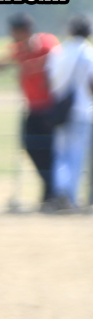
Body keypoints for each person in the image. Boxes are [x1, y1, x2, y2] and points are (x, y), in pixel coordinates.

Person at [0, 14, 59, 208]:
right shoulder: (19, 49)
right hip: (32, 108)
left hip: (50, 108)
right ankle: (49, 188)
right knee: (31, 146)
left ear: (23, 31)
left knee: (50, 150)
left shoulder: (47, 42)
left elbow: (57, 59)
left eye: (13, 31)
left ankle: (51, 192)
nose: (11, 35)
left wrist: (28, 66)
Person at [45, 16, 93, 210]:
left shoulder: (59, 51)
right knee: (76, 155)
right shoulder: (88, 52)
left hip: (61, 111)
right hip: (82, 110)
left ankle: (60, 192)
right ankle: (70, 197)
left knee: (61, 154)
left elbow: (49, 79)